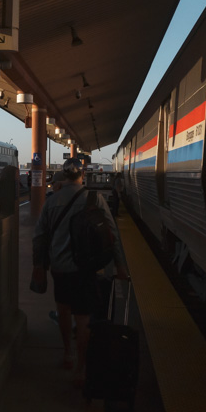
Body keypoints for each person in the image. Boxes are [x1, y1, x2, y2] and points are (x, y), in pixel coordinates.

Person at [32, 158, 129, 385]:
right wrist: (120, 265)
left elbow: (39, 237)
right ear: (82, 175)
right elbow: (112, 234)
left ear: (64, 176)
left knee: (63, 311)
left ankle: (68, 354)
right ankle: (81, 369)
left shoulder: (51, 201)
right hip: (86, 269)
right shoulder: (95, 199)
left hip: (60, 268)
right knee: (83, 317)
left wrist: (39, 266)